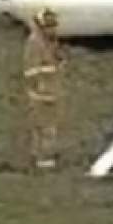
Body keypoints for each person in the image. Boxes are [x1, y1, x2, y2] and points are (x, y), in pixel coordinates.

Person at [22, 9, 65, 171]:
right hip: (41, 94)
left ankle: (48, 155)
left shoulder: (50, 42)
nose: (53, 30)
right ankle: (42, 158)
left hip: (52, 91)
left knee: (51, 126)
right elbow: (31, 71)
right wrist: (39, 90)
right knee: (42, 127)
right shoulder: (35, 43)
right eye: (50, 26)